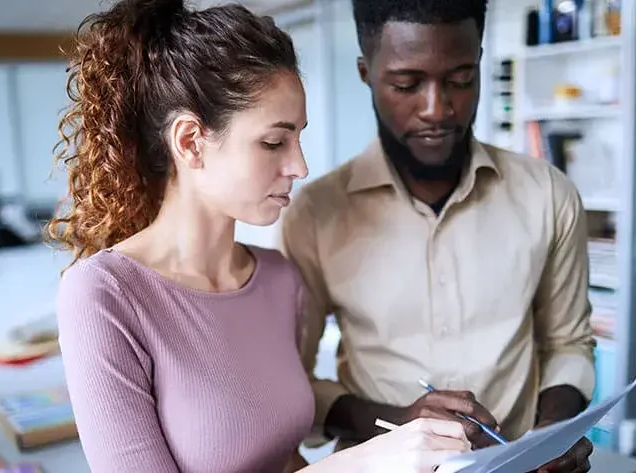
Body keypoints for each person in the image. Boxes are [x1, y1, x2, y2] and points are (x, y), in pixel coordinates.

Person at [47, 0, 471, 472]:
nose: (300, 167)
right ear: (190, 142)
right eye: (274, 142)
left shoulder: (278, 280)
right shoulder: (104, 296)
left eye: (298, 139)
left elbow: (287, 459)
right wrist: (363, 463)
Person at [280, 1, 597, 472]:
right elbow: (293, 384)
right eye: (407, 85)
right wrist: (399, 423)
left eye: (461, 79)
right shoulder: (315, 215)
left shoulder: (548, 196)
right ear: (366, 72)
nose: (438, 109)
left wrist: (548, 438)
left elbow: (568, 345)